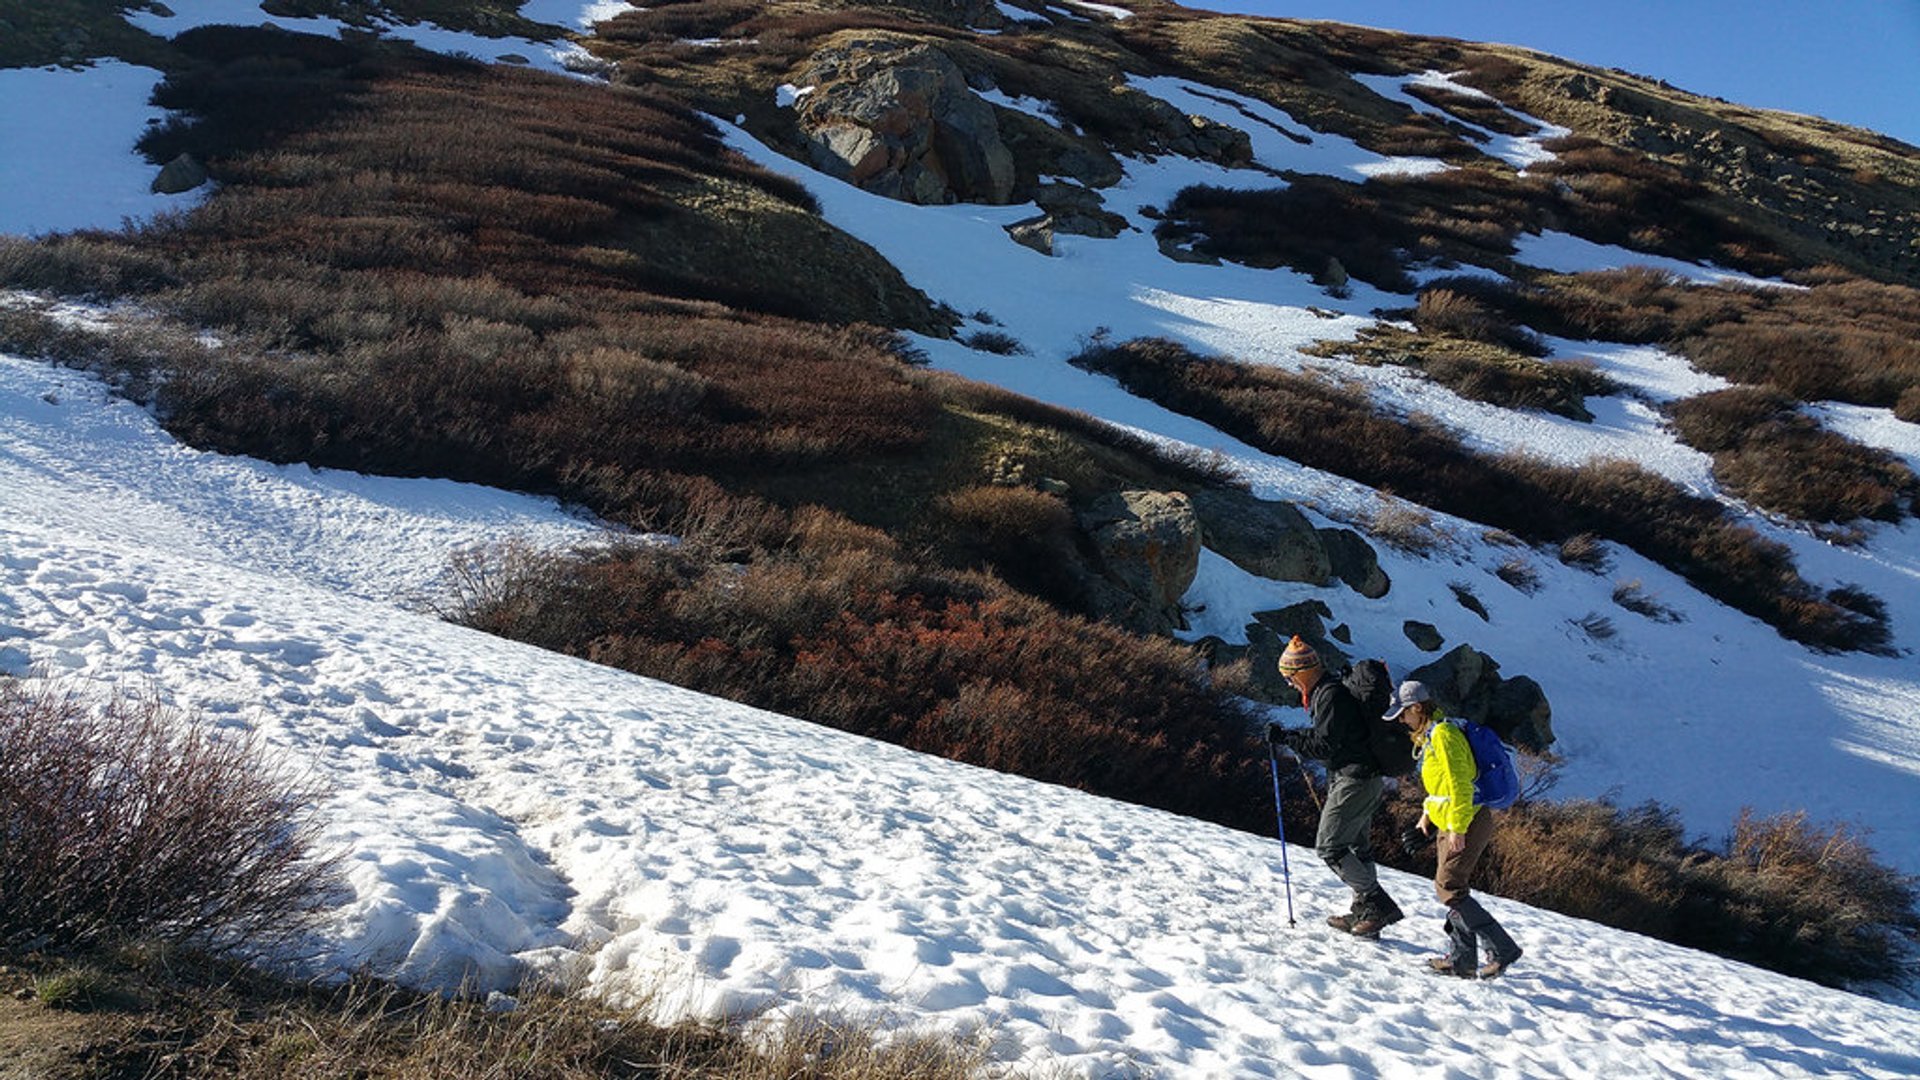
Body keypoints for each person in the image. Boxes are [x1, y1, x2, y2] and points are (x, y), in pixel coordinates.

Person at [1386, 679, 1524, 979]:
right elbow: (1442, 788)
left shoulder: (1445, 735)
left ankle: (1502, 949)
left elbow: (1461, 785)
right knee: (1449, 887)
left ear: (1418, 708)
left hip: (1466, 819)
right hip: (1453, 819)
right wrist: (1426, 819)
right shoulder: (1432, 737)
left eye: (1402, 714)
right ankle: (1462, 960)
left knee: (1449, 887)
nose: (1400, 720)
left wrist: (1458, 828)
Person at [1267, 636, 1404, 938]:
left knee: (1329, 846)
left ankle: (1376, 904)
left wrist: (1287, 737)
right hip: (1366, 779)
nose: (1290, 684)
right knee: (1358, 846)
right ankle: (1364, 916)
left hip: (1353, 780)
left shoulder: (1329, 695)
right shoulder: (1332, 690)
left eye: (1290, 677)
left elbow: (1324, 745)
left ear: (1302, 672)